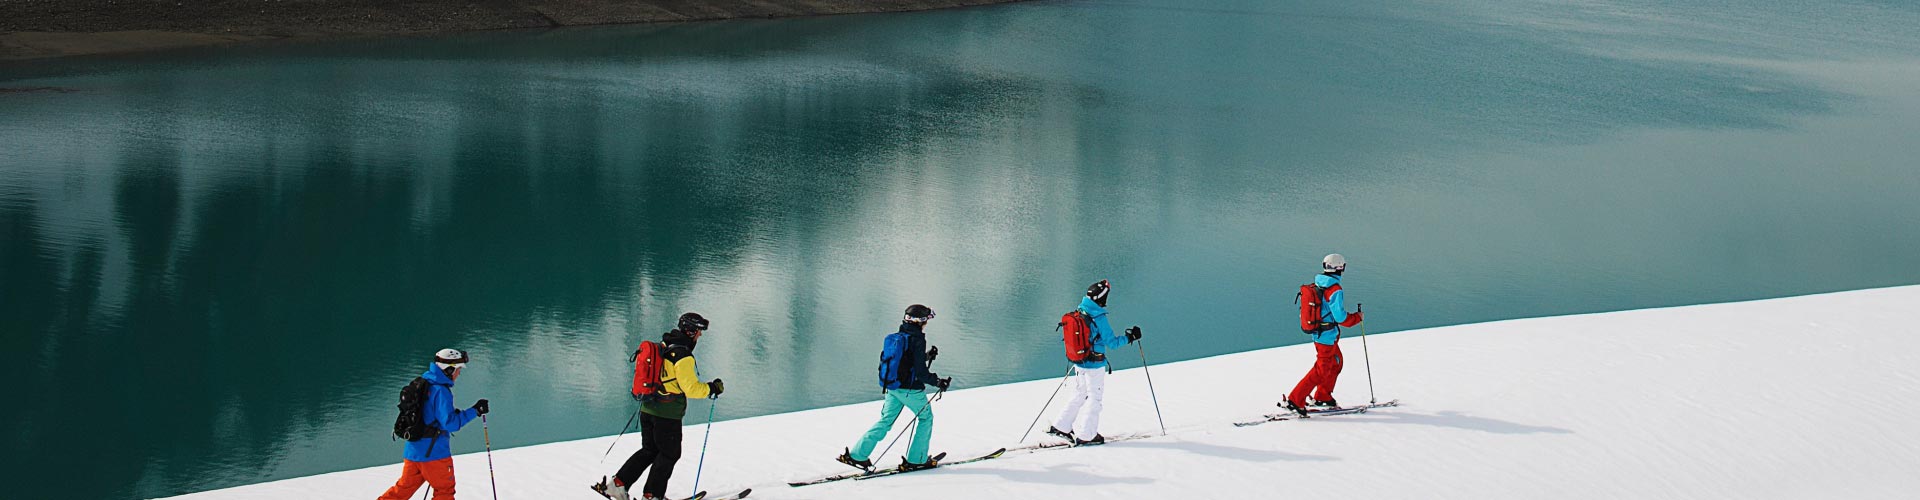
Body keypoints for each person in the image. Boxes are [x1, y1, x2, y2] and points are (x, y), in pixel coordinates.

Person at [598, 313, 724, 500]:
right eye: (698, 331)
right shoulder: (682, 355)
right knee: (669, 454)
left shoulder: (663, 346)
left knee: (650, 450)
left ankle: (618, 485)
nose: (700, 335)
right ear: (690, 332)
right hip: (667, 414)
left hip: (648, 408)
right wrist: (712, 388)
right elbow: (691, 389)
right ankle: (652, 496)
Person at [838, 304, 951, 472]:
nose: (927, 323)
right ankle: (916, 460)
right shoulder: (917, 339)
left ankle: (857, 455)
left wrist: (926, 356)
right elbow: (920, 373)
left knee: (886, 421)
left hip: (892, 387)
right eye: (926, 319)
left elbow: (906, 361)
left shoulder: (900, 336)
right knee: (926, 418)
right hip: (910, 390)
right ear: (920, 321)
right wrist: (939, 382)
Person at [378, 349, 489, 500]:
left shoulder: (423, 383)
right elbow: (451, 424)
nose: (459, 374)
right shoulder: (441, 391)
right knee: (445, 491)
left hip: (413, 452)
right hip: (434, 454)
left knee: (403, 489)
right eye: (458, 369)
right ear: (448, 370)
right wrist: (475, 411)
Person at [1046, 279, 1142, 445]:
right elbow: (1112, 343)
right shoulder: (1098, 317)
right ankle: (1087, 435)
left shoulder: (1081, 309)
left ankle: (1061, 426)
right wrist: (1130, 337)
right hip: (1094, 365)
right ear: (1102, 298)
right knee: (1094, 398)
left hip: (1080, 361)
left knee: (1079, 393)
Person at [1283, 254, 1365, 416]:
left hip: (1323, 334)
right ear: (1340, 268)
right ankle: (1295, 399)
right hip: (1326, 337)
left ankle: (1323, 396)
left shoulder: (1319, 283)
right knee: (1322, 369)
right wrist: (1357, 318)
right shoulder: (1334, 290)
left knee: (1336, 362)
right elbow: (1341, 318)